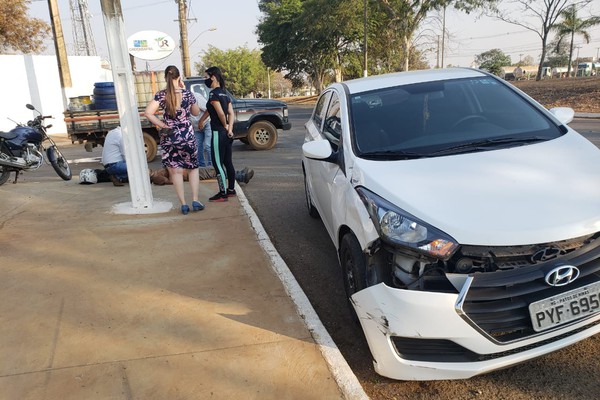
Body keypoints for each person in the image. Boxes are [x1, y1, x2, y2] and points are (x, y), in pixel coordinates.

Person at [145, 65, 203, 215]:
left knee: (175, 172)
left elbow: (148, 113)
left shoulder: (161, 95)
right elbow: (195, 112)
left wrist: (163, 125)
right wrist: (185, 90)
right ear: (179, 78)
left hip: (170, 137)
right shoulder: (187, 94)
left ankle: (184, 204)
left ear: (165, 78)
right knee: (193, 168)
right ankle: (195, 200)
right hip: (187, 136)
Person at [198, 66, 236, 202]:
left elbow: (220, 113)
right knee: (228, 162)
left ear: (213, 77)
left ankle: (222, 193)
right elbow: (230, 113)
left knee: (217, 163)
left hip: (218, 133)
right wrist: (230, 128)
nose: (205, 79)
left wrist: (225, 125)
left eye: (206, 76)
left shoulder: (213, 94)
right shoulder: (225, 93)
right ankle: (231, 190)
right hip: (227, 134)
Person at [150, 166, 254, 186]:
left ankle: (239, 174)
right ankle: (241, 176)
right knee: (215, 171)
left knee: (214, 169)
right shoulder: (156, 177)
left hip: (189, 170)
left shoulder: (156, 172)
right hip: (189, 174)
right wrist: (169, 168)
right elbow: (171, 181)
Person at [190, 91, 212, 167]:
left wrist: (201, 121)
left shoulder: (196, 97)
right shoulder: (179, 101)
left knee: (208, 145)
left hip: (206, 123)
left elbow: (209, 110)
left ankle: (211, 166)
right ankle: (201, 166)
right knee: (197, 147)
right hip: (196, 127)